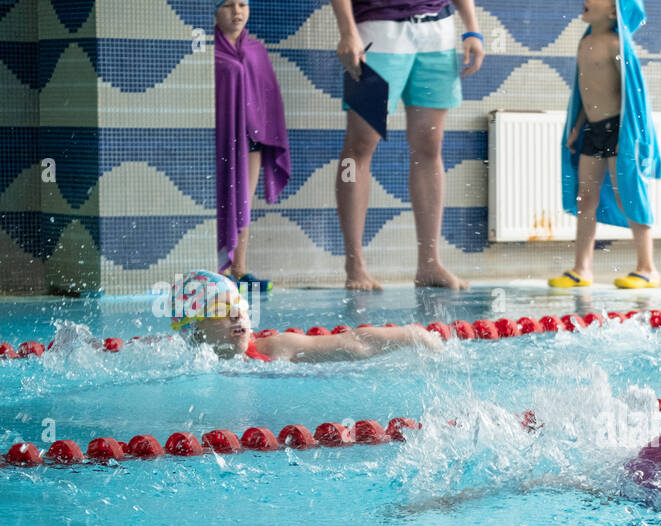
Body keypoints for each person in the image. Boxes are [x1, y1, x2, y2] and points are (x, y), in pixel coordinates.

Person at [330, 0, 485, 291]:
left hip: (437, 33)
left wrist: (473, 29)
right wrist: (347, 31)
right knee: (360, 146)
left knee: (430, 146)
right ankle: (355, 264)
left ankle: (429, 263)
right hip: (377, 33)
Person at [548, 0, 661, 290]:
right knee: (585, 197)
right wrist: (575, 128)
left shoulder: (617, 45)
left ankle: (647, 268)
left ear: (614, 11)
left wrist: (636, 136)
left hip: (619, 130)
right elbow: (586, 92)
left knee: (629, 196)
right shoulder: (585, 41)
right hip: (593, 130)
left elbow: (634, 94)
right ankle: (582, 268)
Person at [171, 271, 443, 361]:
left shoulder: (275, 348)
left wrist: (412, 335)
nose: (237, 316)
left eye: (240, 307)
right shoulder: (180, 361)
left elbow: (354, 343)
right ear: (194, 329)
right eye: (221, 310)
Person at [215, 0, 290, 291]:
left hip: (251, 141)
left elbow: (268, 97)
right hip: (220, 141)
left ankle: (240, 269)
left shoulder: (257, 50)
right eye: (229, 5)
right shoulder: (210, 50)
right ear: (215, 11)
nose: (237, 12)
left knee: (243, 203)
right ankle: (218, 270)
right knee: (223, 200)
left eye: (243, 4)